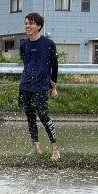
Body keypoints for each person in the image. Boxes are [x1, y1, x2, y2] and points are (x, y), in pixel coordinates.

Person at [18, 12, 60, 160]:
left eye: (30, 23)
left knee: (43, 116)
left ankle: (55, 149)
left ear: (39, 26)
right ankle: (36, 148)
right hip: (25, 86)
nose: (27, 26)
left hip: (41, 86)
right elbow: (27, 65)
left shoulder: (48, 44)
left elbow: (54, 66)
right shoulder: (24, 45)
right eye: (26, 23)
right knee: (30, 117)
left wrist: (53, 87)